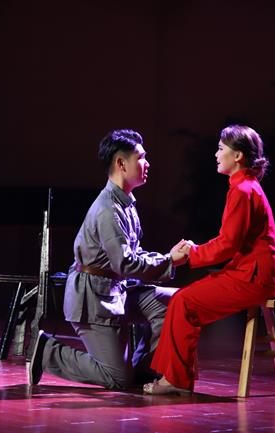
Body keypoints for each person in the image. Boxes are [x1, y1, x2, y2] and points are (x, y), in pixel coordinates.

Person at [27, 129, 188, 390]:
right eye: (141, 157)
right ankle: (46, 351)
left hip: (116, 291)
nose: (147, 163)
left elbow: (132, 254)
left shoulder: (125, 204)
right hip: (94, 299)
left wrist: (167, 258)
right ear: (121, 164)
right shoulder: (108, 210)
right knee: (117, 379)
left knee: (175, 303)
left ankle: (145, 370)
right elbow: (125, 264)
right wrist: (170, 261)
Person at [144, 124, 275, 395]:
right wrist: (196, 250)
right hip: (253, 272)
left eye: (221, 149)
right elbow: (230, 241)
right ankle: (176, 376)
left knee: (183, 302)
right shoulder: (245, 186)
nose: (216, 154)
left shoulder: (243, 190)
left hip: (254, 277)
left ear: (238, 156)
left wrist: (192, 253)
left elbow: (228, 245)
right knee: (183, 300)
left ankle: (176, 378)